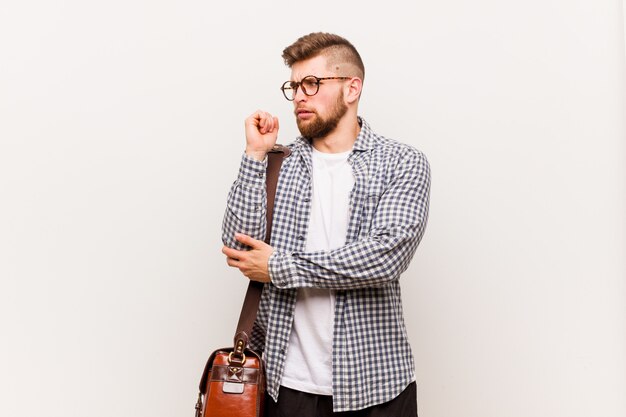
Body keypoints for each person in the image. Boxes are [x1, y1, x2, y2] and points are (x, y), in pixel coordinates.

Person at [221, 32, 430, 417]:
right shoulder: (278, 163)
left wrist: (279, 267)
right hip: (286, 384)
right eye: (294, 86)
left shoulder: (401, 163)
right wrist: (254, 155)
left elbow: (384, 258)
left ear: (352, 89)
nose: (299, 96)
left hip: (377, 385)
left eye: (312, 83)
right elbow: (240, 247)